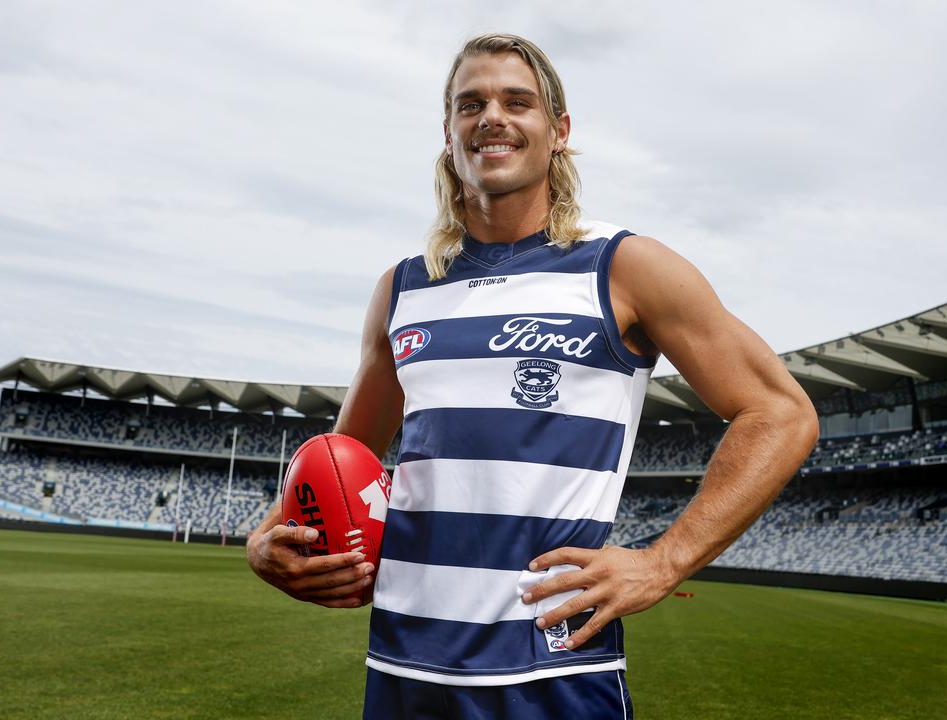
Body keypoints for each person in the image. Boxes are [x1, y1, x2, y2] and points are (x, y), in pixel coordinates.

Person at [247, 33, 819, 719]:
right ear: (450, 131)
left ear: (558, 132)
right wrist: (267, 538)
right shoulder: (401, 290)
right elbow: (342, 461)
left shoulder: (623, 267)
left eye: (517, 102)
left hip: (553, 674)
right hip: (402, 669)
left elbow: (781, 413)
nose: (492, 116)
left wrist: (664, 561)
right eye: (471, 103)